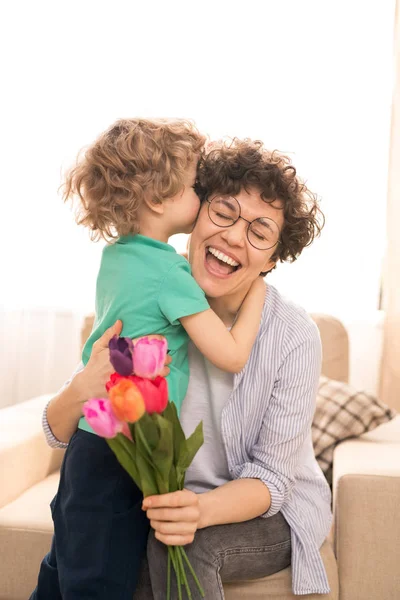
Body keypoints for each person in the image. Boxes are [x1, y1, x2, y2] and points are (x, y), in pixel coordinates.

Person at [39, 137, 332, 598]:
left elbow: (273, 479)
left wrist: (199, 510)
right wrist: (81, 389)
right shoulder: (153, 285)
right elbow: (62, 429)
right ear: (196, 214)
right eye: (224, 213)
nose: (236, 236)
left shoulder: (294, 335)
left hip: (266, 513)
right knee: (95, 536)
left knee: (184, 545)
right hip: (159, 500)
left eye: (259, 232)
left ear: (273, 258)